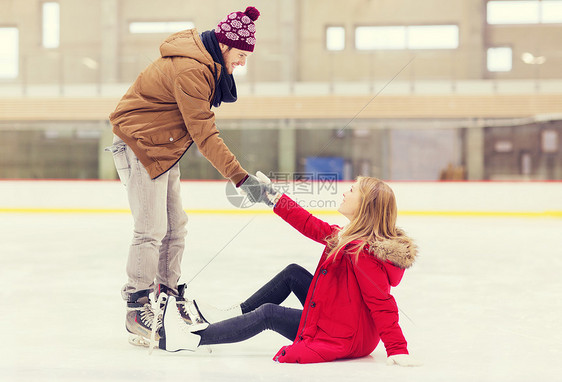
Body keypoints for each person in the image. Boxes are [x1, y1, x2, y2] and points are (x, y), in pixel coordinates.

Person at [105, 6, 270, 347]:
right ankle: (137, 306)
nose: (240, 64)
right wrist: (242, 179)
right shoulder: (191, 70)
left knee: (175, 226)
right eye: (239, 56)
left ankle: (166, 297)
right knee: (151, 228)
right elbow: (205, 135)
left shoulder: (206, 63)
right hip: (140, 142)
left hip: (163, 144)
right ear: (224, 45)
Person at [155, 175, 422, 366]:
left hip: (344, 335)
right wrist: (271, 197)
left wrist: (397, 348)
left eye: (352, 190)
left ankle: (191, 338)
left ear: (366, 206)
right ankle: (234, 314)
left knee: (269, 314)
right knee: (293, 273)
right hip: (343, 320)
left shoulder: (362, 253)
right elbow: (309, 224)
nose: (344, 192)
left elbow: (381, 303)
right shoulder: (345, 238)